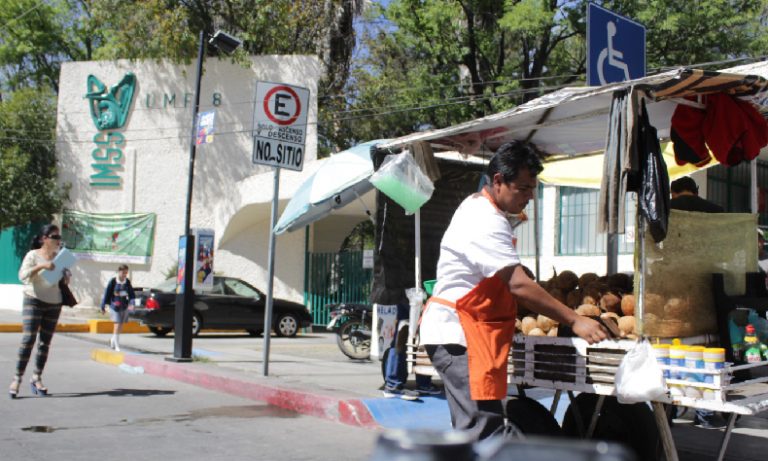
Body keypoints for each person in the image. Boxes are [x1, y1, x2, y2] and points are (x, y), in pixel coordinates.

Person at [419, 141, 608, 441]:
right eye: (523, 188)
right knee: (483, 433)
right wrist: (574, 319)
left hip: (473, 335)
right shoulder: (485, 219)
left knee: (480, 430)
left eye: (532, 188)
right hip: (459, 335)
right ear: (498, 181)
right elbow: (517, 284)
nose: (530, 197)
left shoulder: (486, 212)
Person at [668, 176, 728, 429]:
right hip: (708, 290)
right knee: (705, 351)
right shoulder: (716, 211)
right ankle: (706, 413)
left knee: (672, 354)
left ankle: (669, 409)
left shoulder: (666, 210)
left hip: (672, 292)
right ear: (696, 191)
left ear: (673, 193)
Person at [9, 224, 70, 398]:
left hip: (54, 302)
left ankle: (36, 377)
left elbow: (61, 282)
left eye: (59, 238)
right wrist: (42, 266)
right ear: (44, 239)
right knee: (28, 338)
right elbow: (22, 275)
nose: (58, 241)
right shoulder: (32, 255)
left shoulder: (60, 257)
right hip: (33, 299)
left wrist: (65, 277)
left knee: (45, 343)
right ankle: (17, 378)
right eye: (55, 237)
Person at [382, 302, 441, 400]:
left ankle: (395, 384)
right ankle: (419, 383)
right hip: (411, 293)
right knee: (415, 332)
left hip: (407, 293)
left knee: (405, 332)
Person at [100, 264, 136, 352]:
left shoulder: (127, 282)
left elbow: (132, 294)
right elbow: (107, 293)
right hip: (114, 307)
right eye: (123, 273)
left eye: (126, 273)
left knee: (120, 326)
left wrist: (132, 303)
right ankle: (117, 346)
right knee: (117, 325)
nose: (124, 275)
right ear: (119, 272)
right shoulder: (113, 281)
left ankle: (112, 340)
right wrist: (103, 306)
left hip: (124, 306)